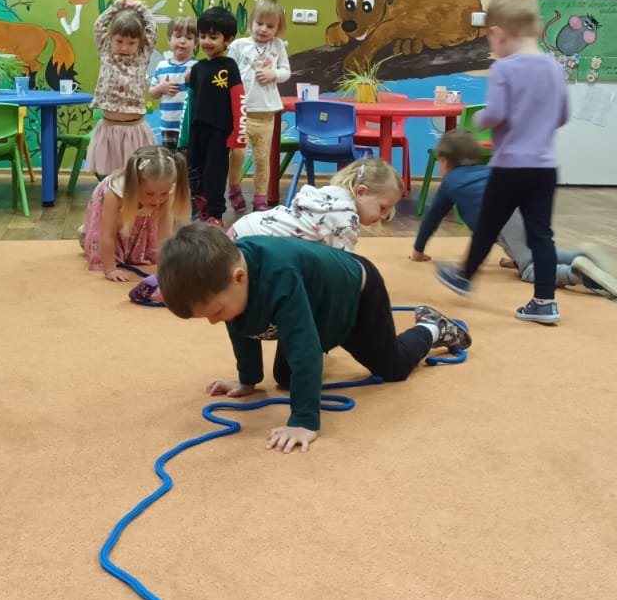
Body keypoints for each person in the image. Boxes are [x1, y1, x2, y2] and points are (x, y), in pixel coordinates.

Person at [157, 222, 471, 453]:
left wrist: (304, 421)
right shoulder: (232, 281)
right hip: (315, 300)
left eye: (215, 311)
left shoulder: (279, 276)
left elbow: (304, 349)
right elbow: (242, 327)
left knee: (393, 367)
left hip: (354, 295)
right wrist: (247, 380)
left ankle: (432, 326)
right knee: (286, 378)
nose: (214, 321)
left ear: (239, 278)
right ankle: (326, 338)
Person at [433, 0, 570, 325]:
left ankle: (464, 277)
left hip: (510, 166)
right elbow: (562, 116)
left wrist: (479, 120)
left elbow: (495, 114)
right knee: (541, 234)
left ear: (498, 33)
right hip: (544, 168)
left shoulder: (504, 69)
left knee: (488, 226)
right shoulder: (554, 67)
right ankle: (545, 302)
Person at [412, 130, 617, 298]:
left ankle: (576, 274)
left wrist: (418, 250)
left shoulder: (450, 182)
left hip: (505, 218)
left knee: (529, 269)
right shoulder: (487, 172)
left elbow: (432, 218)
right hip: (522, 208)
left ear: (445, 161)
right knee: (537, 255)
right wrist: (515, 254)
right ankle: (581, 257)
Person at [228, 156, 401, 253]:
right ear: (361, 192)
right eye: (382, 207)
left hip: (245, 227)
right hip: (253, 243)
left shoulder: (332, 195)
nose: (385, 215)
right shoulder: (346, 218)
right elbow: (345, 269)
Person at [79, 145, 191, 283]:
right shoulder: (113, 193)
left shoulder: (167, 191)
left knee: (145, 249)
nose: (157, 200)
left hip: (136, 210)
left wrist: (165, 270)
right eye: (150, 194)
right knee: (108, 239)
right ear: (135, 184)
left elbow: (165, 234)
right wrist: (110, 269)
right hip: (115, 213)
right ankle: (85, 234)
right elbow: (108, 234)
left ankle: (131, 248)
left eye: (163, 193)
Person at [225, 0, 292, 214]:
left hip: (266, 113)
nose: (263, 29)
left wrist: (274, 74)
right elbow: (228, 72)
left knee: (262, 159)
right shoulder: (239, 46)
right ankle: (234, 188)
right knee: (237, 154)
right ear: (251, 22)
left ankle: (260, 198)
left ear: (278, 29)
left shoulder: (277, 46)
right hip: (241, 112)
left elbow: (286, 71)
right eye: (259, 23)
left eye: (270, 26)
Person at [179, 7, 242, 225]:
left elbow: (238, 99)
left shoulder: (230, 67)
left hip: (219, 132)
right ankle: (200, 208)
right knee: (194, 170)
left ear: (228, 40)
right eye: (203, 36)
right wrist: (184, 135)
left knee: (215, 173)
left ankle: (215, 214)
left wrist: (238, 134)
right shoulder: (197, 68)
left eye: (213, 37)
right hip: (197, 130)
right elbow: (190, 102)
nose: (206, 41)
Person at [87, 0, 158, 178]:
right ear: (111, 38)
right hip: (109, 129)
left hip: (134, 130)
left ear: (140, 42)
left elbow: (153, 28)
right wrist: (117, 6)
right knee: (111, 177)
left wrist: (140, 7)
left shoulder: (141, 55)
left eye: (131, 43)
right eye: (119, 41)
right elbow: (99, 25)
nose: (124, 47)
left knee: (134, 177)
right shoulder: (106, 50)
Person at [149, 16, 198, 149]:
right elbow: (152, 93)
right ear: (169, 39)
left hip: (189, 125)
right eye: (178, 36)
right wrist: (160, 88)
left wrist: (192, 81)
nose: (182, 41)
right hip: (168, 125)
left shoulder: (196, 67)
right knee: (169, 158)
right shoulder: (162, 66)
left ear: (195, 43)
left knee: (188, 158)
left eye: (189, 38)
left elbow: (201, 95)